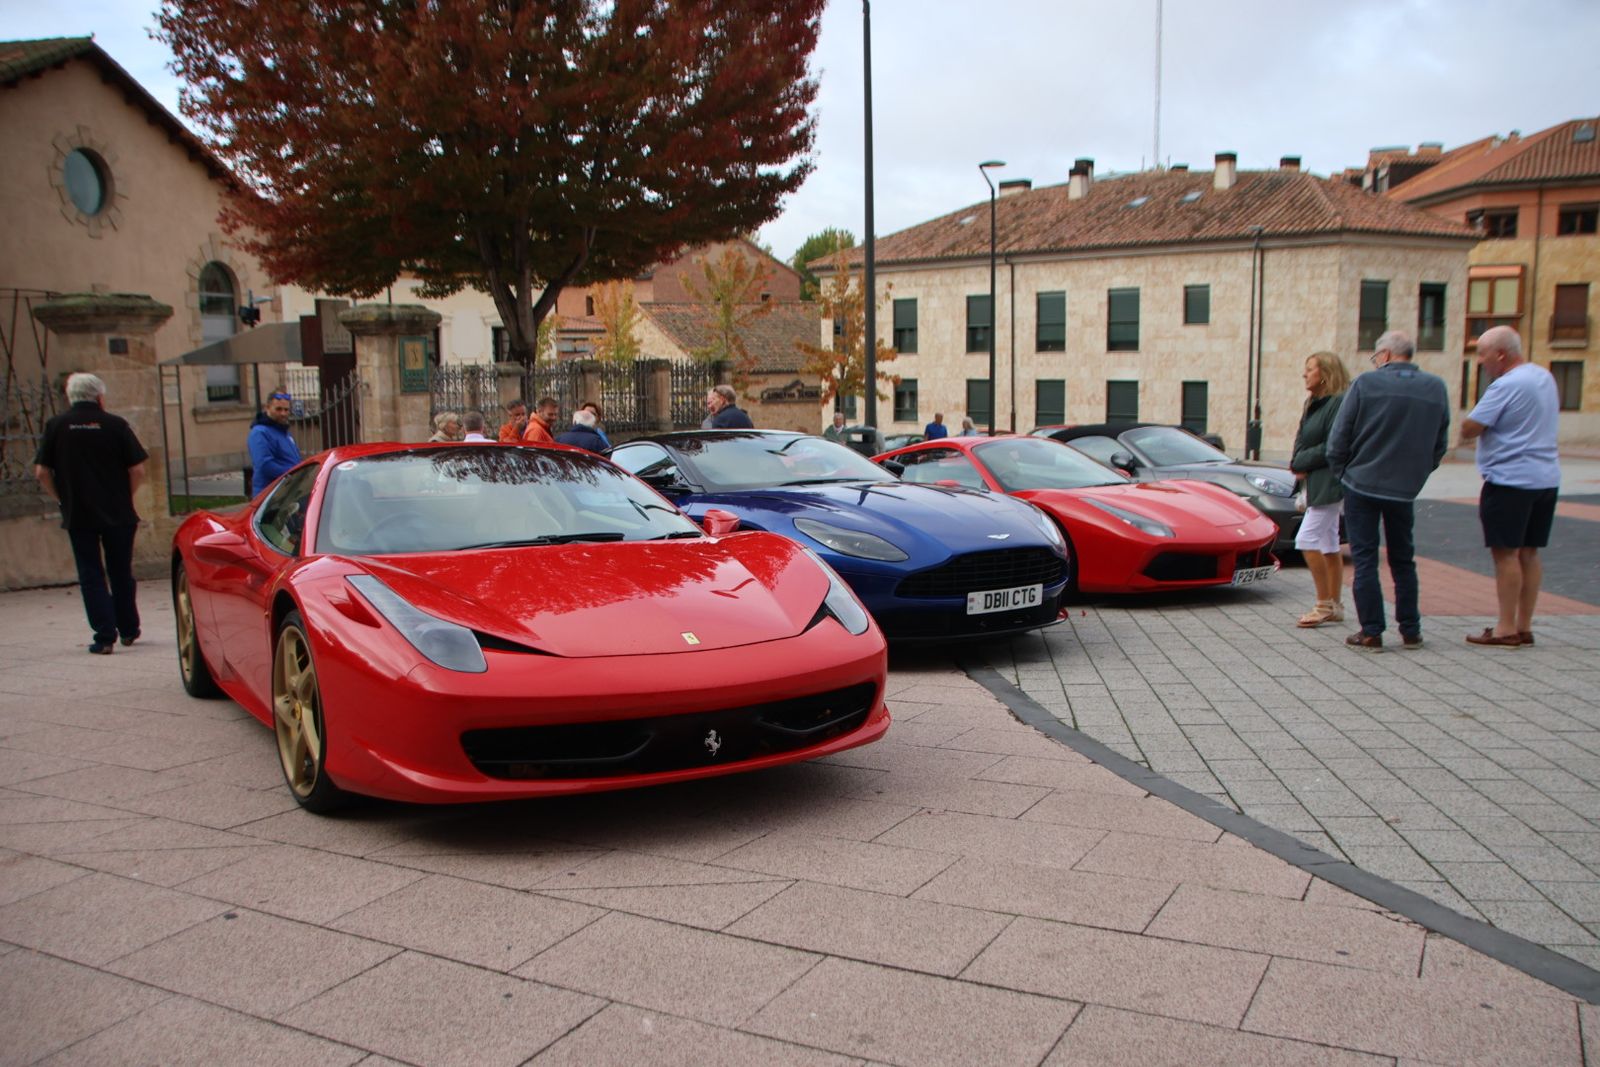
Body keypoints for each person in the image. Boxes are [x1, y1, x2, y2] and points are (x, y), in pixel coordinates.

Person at [1326, 330, 1450, 651]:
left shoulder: (1366, 384)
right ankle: (1410, 628)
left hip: (1361, 484)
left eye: (1376, 357)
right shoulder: (1436, 388)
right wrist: (1417, 475)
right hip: (1404, 488)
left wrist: (1344, 473)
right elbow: (1439, 443)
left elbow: (1339, 438)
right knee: (1403, 558)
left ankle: (1371, 631)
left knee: (1365, 558)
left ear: (1384, 355)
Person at [1457, 325, 1560, 648]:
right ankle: (1524, 625)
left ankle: (1504, 628)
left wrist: (1466, 427)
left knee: (1505, 554)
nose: (1481, 362)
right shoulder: (1544, 377)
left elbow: (1471, 426)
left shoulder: (1505, 385)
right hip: (1545, 478)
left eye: (1483, 355)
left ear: (1501, 354)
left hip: (1509, 480)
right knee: (1530, 553)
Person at [33, 373, 149, 655]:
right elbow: (137, 469)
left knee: (91, 574)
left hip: (79, 512)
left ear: (70, 396)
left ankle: (104, 634)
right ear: (99, 397)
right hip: (118, 512)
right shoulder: (115, 425)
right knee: (121, 570)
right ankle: (129, 628)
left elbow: (42, 472)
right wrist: (125, 496)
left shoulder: (56, 426)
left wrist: (63, 499)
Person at [1289, 351, 1350, 628]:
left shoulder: (1336, 404)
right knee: (1329, 541)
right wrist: (1299, 461)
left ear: (1325, 373)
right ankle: (1334, 604)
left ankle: (1324, 603)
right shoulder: (1313, 402)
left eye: (1310, 369)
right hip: (1317, 481)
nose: (1305, 374)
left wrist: (1301, 461)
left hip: (1328, 482)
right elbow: (1304, 439)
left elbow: (1334, 444)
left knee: (1307, 538)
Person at [248, 390, 301, 494]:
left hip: (286, 490)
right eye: (278, 409)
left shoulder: (283, 432)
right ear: (267, 408)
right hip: (270, 494)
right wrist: (295, 474)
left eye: (286, 410)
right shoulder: (260, 433)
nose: (283, 413)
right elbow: (265, 465)